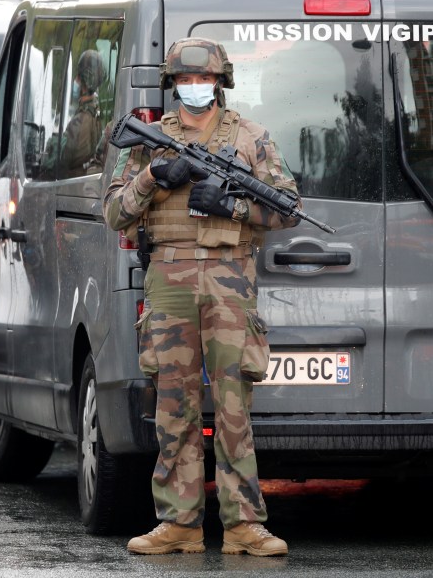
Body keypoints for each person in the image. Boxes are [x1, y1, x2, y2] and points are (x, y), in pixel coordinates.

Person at [103, 37, 298, 556]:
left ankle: (244, 526)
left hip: (231, 277)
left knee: (234, 404)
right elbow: (115, 214)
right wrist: (151, 177)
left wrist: (231, 208)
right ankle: (179, 523)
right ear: (174, 85)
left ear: (220, 82)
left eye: (203, 79)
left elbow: (287, 209)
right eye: (186, 81)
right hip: (169, 278)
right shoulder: (149, 142)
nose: (195, 88)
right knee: (174, 403)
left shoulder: (250, 138)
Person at [53, 49, 107, 177]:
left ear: (84, 81)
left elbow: (61, 161)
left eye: (78, 77)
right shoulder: (97, 114)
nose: (75, 81)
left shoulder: (81, 119)